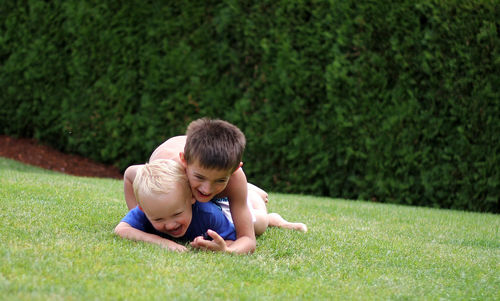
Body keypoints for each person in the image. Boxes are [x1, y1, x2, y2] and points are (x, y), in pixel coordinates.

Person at [115, 160, 307, 253]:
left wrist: (221, 247)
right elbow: (121, 229)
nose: (170, 224)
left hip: (224, 209)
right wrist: (162, 242)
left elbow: (237, 240)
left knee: (260, 224)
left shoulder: (208, 216)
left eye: (176, 214)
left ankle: (261, 204)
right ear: (143, 209)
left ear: (191, 199)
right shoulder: (149, 208)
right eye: (158, 219)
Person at [123, 118, 254, 253]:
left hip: (222, 195)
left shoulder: (235, 179)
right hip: (180, 167)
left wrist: (227, 250)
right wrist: (141, 218)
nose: (206, 189)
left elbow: (247, 238)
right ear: (184, 160)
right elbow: (129, 175)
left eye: (220, 180)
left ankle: (256, 197)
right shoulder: (167, 174)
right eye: (199, 177)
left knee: (258, 224)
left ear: (235, 169)